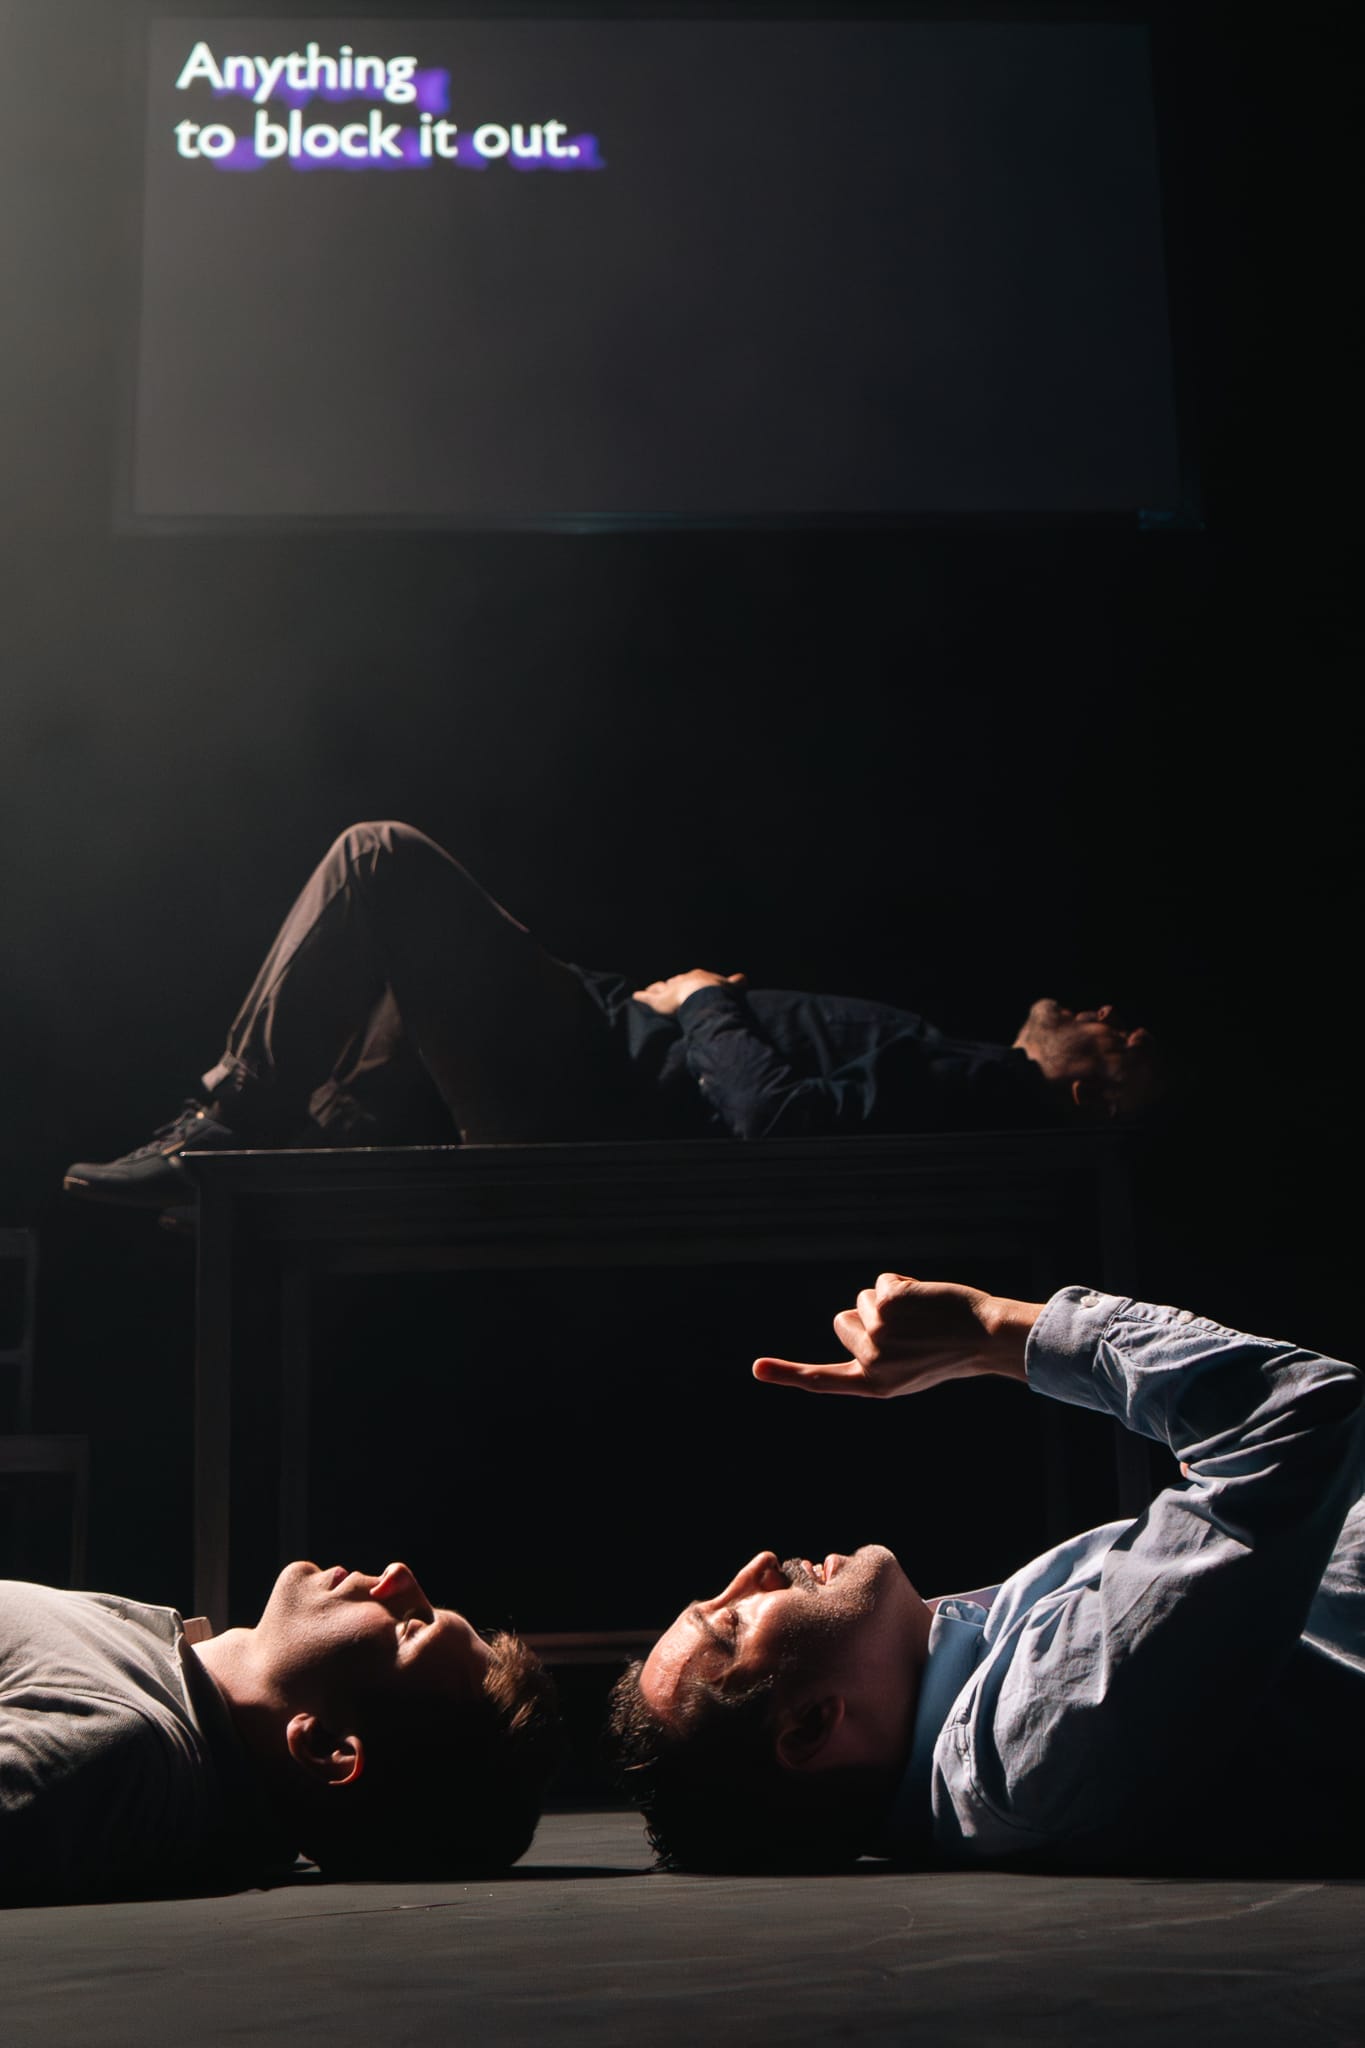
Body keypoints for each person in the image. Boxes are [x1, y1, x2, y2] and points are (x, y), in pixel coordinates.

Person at [608, 1274, 1365, 1874]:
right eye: (732, 1620)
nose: (756, 1567)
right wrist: (995, 1333)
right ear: (809, 1727)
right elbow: (1296, 1413)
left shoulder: (995, 1684)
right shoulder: (1042, 1725)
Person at [63, 821, 1160, 1207]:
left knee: (379, 859)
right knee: (410, 951)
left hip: (581, 1082)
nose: (1107, 1009)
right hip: (583, 1054)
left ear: (1083, 1091)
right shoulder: (961, 1068)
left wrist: (706, 1001)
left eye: (1123, 1039)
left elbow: (776, 1126)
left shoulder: (982, 1085)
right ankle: (270, 1145)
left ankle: (224, 1127)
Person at [1, 1556, 561, 1901]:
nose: (399, 1576)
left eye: (410, 1627)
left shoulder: (113, 1750)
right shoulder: (151, 1684)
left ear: (323, 1747)